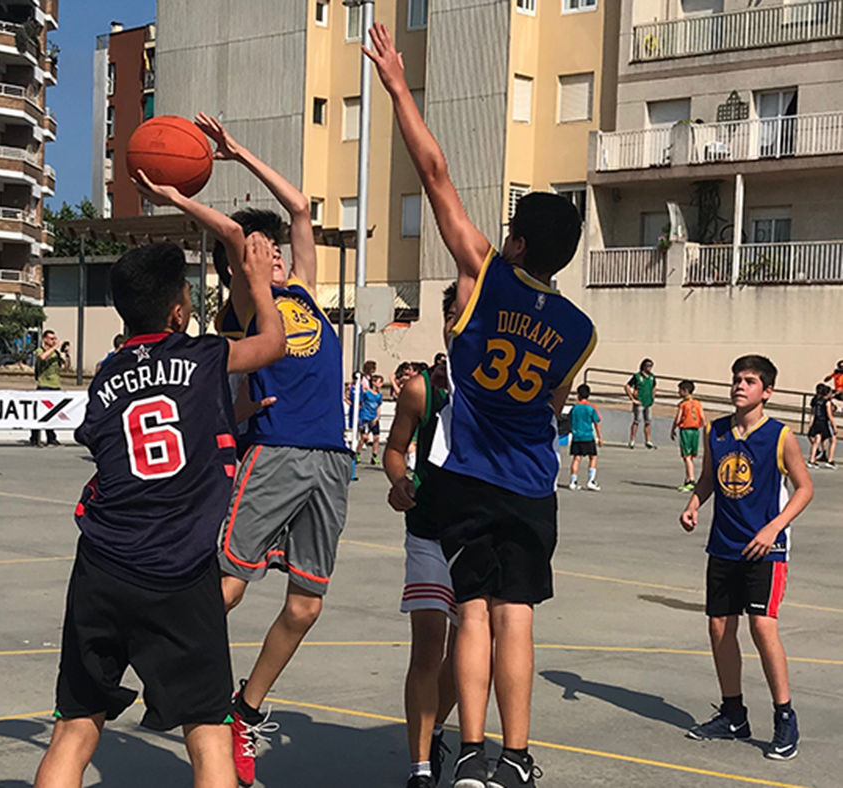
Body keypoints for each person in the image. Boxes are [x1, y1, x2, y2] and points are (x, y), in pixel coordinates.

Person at [366, 24, 597, 788]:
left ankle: (467, 753)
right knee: (517, 615)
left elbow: (433, 174)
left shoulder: (485, 278)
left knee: (471, 611)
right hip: (531, 481)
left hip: (466, 476)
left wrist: (400, 86)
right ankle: (518, 756)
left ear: (520, 246)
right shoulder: (579, 329)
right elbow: (556, 404)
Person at [137, 112, 352, 788]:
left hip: (332, 458)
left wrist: (237, 152)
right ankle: (165, 662)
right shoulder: (244, 303)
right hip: (278, 451)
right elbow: (233, 234)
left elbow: (300, 206)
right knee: (228, 586)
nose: (276, 252)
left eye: (278, 248)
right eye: (263, 249)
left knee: (306, 605)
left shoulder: (305, 294)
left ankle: (245, 708)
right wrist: (180, 199)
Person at [33, 238, 285, 788]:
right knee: (209, 733)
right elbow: (272, 343)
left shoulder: (105, 377)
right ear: (178, 310)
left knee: (75, 728)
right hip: (178, 568)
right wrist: (259, 279)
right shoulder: (204, 356)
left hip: (102, 565)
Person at [680, 355, 813, 761]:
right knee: (720, 628)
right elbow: (708, 478)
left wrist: (774, 527)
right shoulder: (715, 430)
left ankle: (785, 716)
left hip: (765, 549)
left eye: (750, 381)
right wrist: (694, 503)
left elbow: (805, 488)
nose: (740, 385)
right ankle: (733, 714)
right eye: (737, 379)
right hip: (723, 544)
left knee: (762, 626)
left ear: (766, 391)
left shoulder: (780, 436)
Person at [385, 283, 459, 788]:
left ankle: (432, 725)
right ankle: (420, 768)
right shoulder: (423, 389)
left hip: (480, 533)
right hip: (430, 530)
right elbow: (394, 449)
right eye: (453, 313)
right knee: (428, 645)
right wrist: (399, 481)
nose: (460, 322)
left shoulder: (503, 387)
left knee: (474, 648)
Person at [30, 330, 67, 447]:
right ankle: (34, 437)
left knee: (53, 413)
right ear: (45, 339)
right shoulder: (40, 350)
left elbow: (64, 367)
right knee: (41, 413)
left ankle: (51, 437)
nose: (54, 341)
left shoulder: (55, 353)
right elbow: (43, 357)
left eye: (55, 338)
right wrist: (56, 346)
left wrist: (66, 354)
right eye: (51, 339)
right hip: (44, 385)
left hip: (55, 386)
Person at [671, 380, 706, 491]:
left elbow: (678, 419)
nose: (678, 392)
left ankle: (690, 479)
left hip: (686, 430)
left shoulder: (683, 404)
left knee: (687, 456)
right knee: (691, 455)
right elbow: (703, 418)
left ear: (685, 391)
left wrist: (672, 429)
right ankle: (690, 479)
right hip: (695, 430)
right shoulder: (698, 403)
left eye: (680, 390)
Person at [568, 384, 602, 492]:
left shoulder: (574, 408)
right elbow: (597, 422)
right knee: (593, 457)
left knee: (576, 458)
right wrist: (600, 437)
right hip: (588, 436)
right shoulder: (591, 407)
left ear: (578, 395)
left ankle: (573, 481)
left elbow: (570, 420)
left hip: (577, 436)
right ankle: (591, 481)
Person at [625, 358, 657, 449]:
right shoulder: (637, 376)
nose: (649, 368)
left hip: (648, 402)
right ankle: (632, 440)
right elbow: (627, 386)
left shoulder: (652, 377)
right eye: (648, 365)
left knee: (648, 421)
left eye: (651, 366)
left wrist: (653, 398)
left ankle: (648, 440)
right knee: (637, 420)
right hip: (639, 402)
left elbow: (654, 387)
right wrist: (632, 399)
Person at [806, 383, 836, 470]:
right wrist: (834, 426)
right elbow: (829, 415)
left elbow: (814, 412)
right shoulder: (827, 402)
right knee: (832, 439)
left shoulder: (817, 401)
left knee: (817, 440)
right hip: (823, 422)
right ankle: (830, 460)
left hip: (817, 421)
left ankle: (811, 459)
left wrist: (811, 421)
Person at [358, 374, 384, 464]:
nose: (381, 384)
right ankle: (357, 452)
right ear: (373, 382)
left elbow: (378, 406)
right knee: (364, 437)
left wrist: (377, 417)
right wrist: (358, 416)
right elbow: (360, 403)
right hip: (366, 417)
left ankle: (374, 456)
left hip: (374, 417)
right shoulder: (366, 393)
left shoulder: (379, 395)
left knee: (376, 437)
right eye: (379, 382)